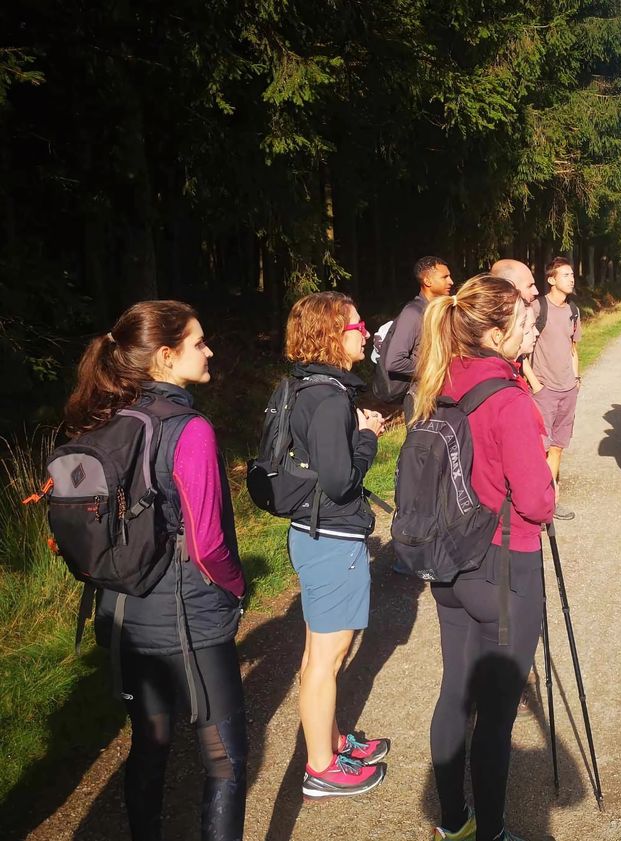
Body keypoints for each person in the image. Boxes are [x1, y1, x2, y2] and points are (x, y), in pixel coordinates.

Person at [63, 300, 247, 841]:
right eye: (198, 343)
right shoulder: (190, 429)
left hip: (123, 607)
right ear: (165, 357)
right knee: (225, 760)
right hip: (190, 616)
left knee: (150, 742)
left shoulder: (104, 417)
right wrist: (236, 589)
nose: (209, 350)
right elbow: (209, 543)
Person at [411, 275, 555, 841]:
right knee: (495, 717)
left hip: (450, 561)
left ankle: (454, 824)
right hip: (505, 568)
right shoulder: (510, 402)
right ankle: (491, 834)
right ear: (495, 333)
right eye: (523, 322)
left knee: (455, 693)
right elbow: (538, 502)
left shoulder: (440, 382)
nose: (532, 328)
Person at [283, 291, 389, 798]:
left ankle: (332, 739)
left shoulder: (310, 387)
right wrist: (367, 434)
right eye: (357, 324)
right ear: (331, 332)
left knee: (317, 652)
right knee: (328, 655)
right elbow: (341, 480)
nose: (364, 332)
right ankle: (321, 768)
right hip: (330, 536)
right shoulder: (327, 399)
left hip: (314, 531)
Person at [524, 257, 582, 520]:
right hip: (543, 390)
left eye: (572, 275)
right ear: (551, 279)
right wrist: (535, 385)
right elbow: (521, 349)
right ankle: (534, 502)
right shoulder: (537, 307)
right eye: (566, 275)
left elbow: (573, 348)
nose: (571, 279)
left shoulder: (574, 311)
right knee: (538, 447)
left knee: (557, 447)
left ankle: (550, 501)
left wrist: (576, 379)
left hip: (568, 389)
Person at [372, 256, 454, 405]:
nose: (451, 281)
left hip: (431, 396)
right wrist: (434, 369)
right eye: (445, 277)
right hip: (416, 400)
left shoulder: (435, 312)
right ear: (427, 281)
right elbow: (395, 362)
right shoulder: (413, 313)